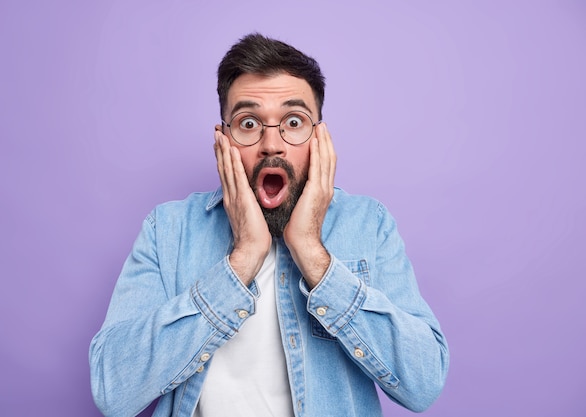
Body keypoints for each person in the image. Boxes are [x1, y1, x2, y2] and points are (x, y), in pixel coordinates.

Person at [89, 33, 449, 417]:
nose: (271, 145)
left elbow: (423, 384)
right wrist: (243, 258)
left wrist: (312, 252)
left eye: (294, 121)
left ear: (320, 138)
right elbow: (114, 392)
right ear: (223, 140)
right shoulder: (168, 229)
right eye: (248, 123)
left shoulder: (369, 224)